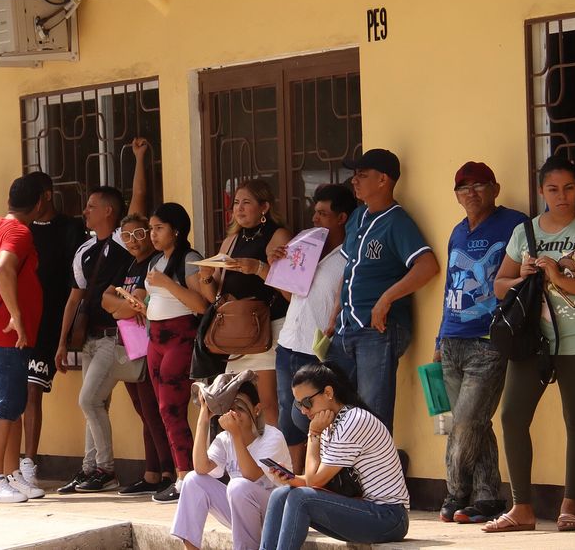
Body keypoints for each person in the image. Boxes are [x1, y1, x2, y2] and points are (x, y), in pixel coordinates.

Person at [484, 154, 575, 534]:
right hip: (532, 341)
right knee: (512, 416)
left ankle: (569, 506)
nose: (561, 196)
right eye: (553, 189)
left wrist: (562, 280)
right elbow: (499, 286)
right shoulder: (525, 233)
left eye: (569, 188)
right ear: (541, 191)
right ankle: (522, 508)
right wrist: (523, 276)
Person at [432, 163, 527, 524]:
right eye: (463, 188)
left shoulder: (515, 224)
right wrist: (439, 337)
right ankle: (487, 498)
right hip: (452, 340)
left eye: (479, 186)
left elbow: (526, 277)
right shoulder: (457, 232)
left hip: (490, 339)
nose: (470, 193)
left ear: (495, 189)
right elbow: (450, 286)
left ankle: (456, 492)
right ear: (456, 195)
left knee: (466, 421)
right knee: (476, 423)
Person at [329, 148, 439, 431]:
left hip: (377, 330)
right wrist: (335, 313)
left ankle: (378, 462)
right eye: (354, 175)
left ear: (383, 180)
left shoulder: (397, 221)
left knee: (372, 417)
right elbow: (350, 269)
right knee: (330, 407)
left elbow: (427, 265)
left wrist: (387, 298)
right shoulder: (357, 217)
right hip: (346, 327)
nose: (354, 181)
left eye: (362, 175)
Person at [261, 362, 410, 549]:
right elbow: (315, 481)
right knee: (280, 495)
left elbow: (314, 481)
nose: (304, 411)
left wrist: (313, 434)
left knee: (301, 499)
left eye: (306, 402)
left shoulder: (354, 421)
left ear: (328, 392)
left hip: (389, 517)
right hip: (365, 510)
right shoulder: (332, 425)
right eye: (299, 405)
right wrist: (290, 479)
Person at [54, 186, 138, 494]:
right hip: (88, 338)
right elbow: (73, 299)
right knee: (94, 404)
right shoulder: (84, 251)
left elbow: (138, 201)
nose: (85, 211)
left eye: (91, 206)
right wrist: (62, 343)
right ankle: (89, 469)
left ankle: (106, 470)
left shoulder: (123, 241)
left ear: (108, 211)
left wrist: (140, 164)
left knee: (89, 400)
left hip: (114, 338)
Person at [0, 176, 47, 503]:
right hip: (5, 336)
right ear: (41, 202)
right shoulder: (19, 232)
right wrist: (13, 315)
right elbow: (3, 269)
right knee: (3, 406)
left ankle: (12, 474)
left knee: (12, 403)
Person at [269, 184, 356, 473]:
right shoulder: (305, 249)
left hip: (316, 349)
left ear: (342, 218)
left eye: (323, 214)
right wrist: (278, 266)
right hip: (289, 342)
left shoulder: (349, 257)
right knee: (287, 413)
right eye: (314, 213)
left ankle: (317, 476)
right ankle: (295, 477)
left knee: (314, 414)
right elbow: (291, 295)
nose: (315, 219)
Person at [195, 179, 291, 429]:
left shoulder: (277, 235)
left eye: (246, 202)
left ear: (264, 207)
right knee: (238, 401)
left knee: (268, 402)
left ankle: (275, 452)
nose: (239, 208)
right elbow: (213, 295)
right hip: (235, 331)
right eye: (236, 202)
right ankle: (245, 450)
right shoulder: (232, 240)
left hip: (267, 327)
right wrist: (205, 276)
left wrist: (258, 268)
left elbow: (289, 288)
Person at [135, 202, 209, 503]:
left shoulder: (189, 259)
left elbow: (201, 305)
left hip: (180, 337)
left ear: (176, 231)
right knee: (161, 409)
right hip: (155, 339)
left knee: (171, 409)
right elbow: (154, 299)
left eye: (159, 228)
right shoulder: (155, 260)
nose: (153, 234)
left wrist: (166, 283)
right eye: (151, 229)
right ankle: (182, 473)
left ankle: (185, 476)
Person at [102, 213, 174, 497]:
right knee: (143, 410)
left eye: (139, 234)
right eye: (127, 236)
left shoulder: (154, 263)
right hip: (131, 345)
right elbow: (105, 299)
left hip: (150, 343)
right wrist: (123, 308)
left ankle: (167, 472)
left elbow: (139, 303)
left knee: (153, 409)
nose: (133, 241)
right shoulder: (129, 264)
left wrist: (120, 308)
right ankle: (151, 472)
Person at [171, 379, 290, 550]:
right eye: (230, 408)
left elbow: (252, 476)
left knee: (237, 486)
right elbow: (201, 467)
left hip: (275, 514)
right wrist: (203, 419)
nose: (234, 414)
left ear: (256, 409)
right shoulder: (225, 438)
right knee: (192, 480)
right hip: (242, 513)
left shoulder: (272, 437)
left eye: (240, 408)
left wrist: (236, 435)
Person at [22, 171, 86, 484]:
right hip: (21, 321)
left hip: (51, 322)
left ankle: (29, 463)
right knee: (16, 391)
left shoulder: (71, 228)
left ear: (46, 195)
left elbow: (79, 281)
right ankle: (10, 465)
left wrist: (71, 326)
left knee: (33, 388)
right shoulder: (22, 230)